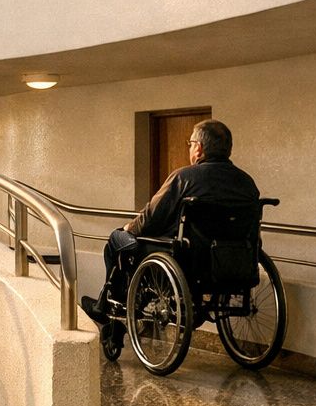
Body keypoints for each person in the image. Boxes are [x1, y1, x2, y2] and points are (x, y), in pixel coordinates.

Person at [81, 118, 258, 325]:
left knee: (116, 239)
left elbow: (151, 219)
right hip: (235, 261)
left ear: (199, 148)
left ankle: (112, 307)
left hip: (189, 260)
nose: (190, 148)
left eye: (190, 144)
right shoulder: (247, 183)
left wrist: (129, 227)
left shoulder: (184, 178)